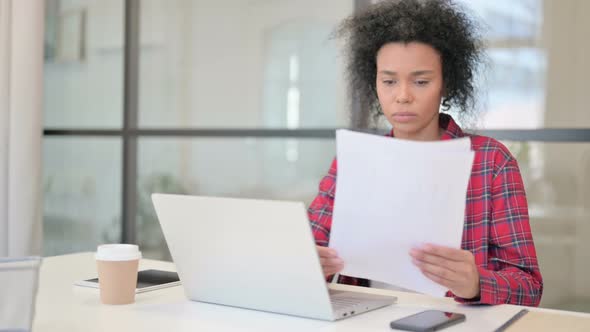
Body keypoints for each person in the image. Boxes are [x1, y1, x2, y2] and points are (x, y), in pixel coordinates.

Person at [308, 0, 543, 306]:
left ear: (446, 84)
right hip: (367, 319)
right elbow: (306, 251)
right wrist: (311, 265)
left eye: (421, 81)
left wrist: (475, 283)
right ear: (374, 83)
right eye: (389, 81)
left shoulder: (492, 163)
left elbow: (529, 287)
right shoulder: (354, 161)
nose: (403, 96)